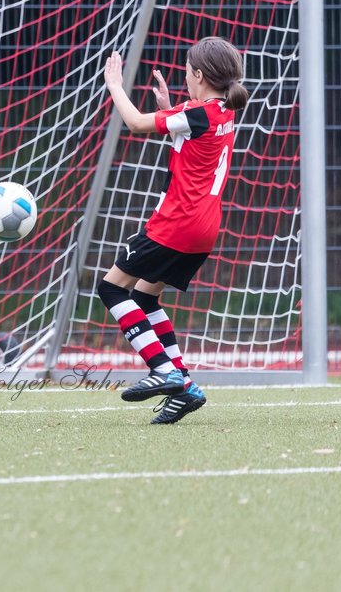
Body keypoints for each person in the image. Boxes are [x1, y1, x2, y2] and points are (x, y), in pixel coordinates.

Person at [98, 37, 248, 424]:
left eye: (187, 70)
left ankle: (165, 370)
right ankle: (184, 387)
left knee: (112, 288)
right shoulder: (222, 110)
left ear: (198, 75)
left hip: (176, 222)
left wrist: (115, 84)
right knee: (146, 298)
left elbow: (134, 122)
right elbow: (193, 137)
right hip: (204, 228)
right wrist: (169, 109)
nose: (184, 76)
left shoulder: (197, 112)